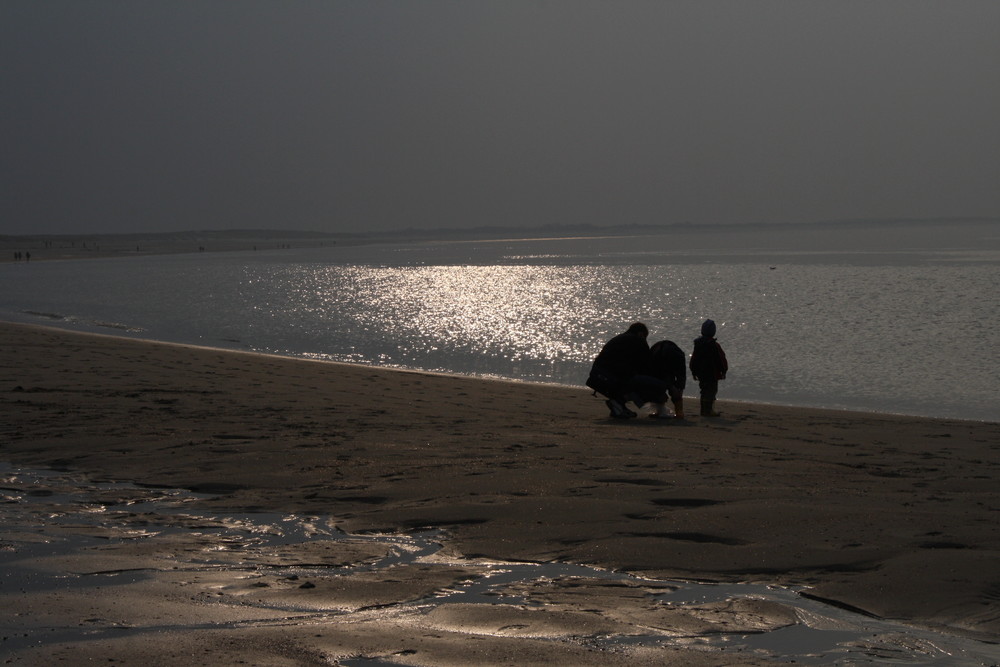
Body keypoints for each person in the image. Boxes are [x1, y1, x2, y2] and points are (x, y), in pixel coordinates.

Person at [586, 322, 670, 419]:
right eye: (645, 337)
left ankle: (619, 406)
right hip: (614, 379)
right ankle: (619, 400)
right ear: (641, 334)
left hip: (598, 377)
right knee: (658, 385)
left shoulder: (619, 339)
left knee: (631, 378)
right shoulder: (638, 341)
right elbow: (647, 366)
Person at [689, 319, 728, 417]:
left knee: (704, 391)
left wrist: (693, 371)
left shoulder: (698, 345)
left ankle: (704, 410)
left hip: (701, 373)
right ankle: (709, 410)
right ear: (713, 332)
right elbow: (720, 359)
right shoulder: (714, 345)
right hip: (712, 373)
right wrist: (723, 370)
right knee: (711, 392)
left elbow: (694, 359)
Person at [649, 339, 687, 419]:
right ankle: (663, 410)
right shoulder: (658, 357)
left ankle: (678, 410)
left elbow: (681, 376)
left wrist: (678, 388)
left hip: (664, 357)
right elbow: (658, 375)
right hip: (659, 361)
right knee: (660, 387)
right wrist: (672, 387)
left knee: (676, 388)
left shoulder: (678, 357)